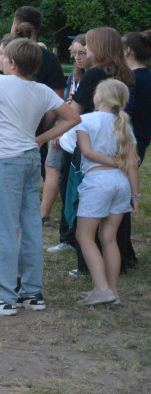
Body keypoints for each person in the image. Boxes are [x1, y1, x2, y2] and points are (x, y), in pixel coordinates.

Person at [0, 37, 79, 315]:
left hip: (4, 160)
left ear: (13, 62)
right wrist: (39, 138)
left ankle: (3, 295)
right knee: (30, 226)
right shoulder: (41, 89)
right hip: (29, 160)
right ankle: (32, 292)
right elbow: (73, 118)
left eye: (3, 56)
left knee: (2, 228)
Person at [60, 79, 139, 305]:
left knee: (84, 236)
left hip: (98, 182)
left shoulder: (85, 120)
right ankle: (112, 291)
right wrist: (135, 195)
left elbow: (86, 151)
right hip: (121, 185)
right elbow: (132, 165)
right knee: (109, 238)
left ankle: (101, 288)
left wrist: (114, 163)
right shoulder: (124, 124)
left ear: (100, 98)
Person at [66, 27, 137, 276]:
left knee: (86, 213)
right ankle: (122, 260)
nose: (86, 49)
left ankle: (88, 266)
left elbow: (74, 111)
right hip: (122, 143)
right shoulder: (127, 73)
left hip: (94, 149)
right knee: (118, 217)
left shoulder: (95, 73)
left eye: (90, 45)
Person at [44, 35, 89, 234]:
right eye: (75, 54)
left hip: (82, 135)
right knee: (57, 173)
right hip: (66, 131)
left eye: (82, 53)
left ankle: (72, 229)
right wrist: (60, 128)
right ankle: (50, 217)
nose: (77, 58)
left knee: (73, 181)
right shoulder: (75, 75)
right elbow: (66, 104)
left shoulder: (95, 76)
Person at [122, 30, 151, 161]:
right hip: (141, 137)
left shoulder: (132, 79)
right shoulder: (146, 75)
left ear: (127, 51)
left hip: (129, 141)